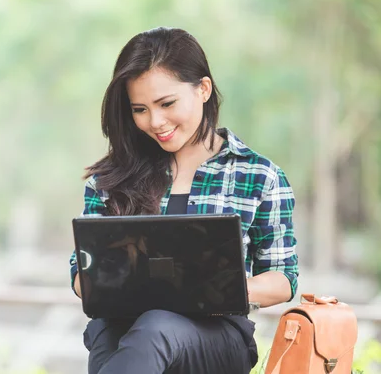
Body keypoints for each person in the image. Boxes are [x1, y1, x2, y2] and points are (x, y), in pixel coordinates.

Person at [68, 27, 299, 374]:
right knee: (122, 334)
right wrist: (101, 280)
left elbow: (283, 279)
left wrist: (220, 287)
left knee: (156, 327)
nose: (155, 122)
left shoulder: (259, 175)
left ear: (203, 89)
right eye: (140, 109)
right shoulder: (112, 178)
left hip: (217, 336)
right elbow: (79, 273)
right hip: (122, 327)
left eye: (167, 104)